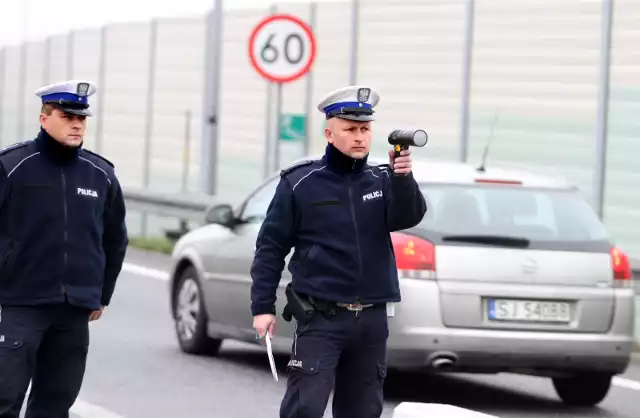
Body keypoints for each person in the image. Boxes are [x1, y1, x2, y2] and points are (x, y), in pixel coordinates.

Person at [250, 85, 427, 418]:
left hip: (372, 320)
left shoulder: (381, 179)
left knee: (363, 411)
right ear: (330, 134)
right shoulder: (301, 183)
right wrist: (262, 307)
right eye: (350, 129)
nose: (359, 137)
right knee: (305, 408)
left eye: (364, 129)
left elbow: (408, 216)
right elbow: (270, 247)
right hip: (321, 318)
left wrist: (403, 178)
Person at [0, 80, 129, 418]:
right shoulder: (12, 166)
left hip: (74, 310)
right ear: (44, 119)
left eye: (81, 119)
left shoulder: (101, 174)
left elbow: (115, 238)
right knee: (4, 398)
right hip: (18, 305)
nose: (76, 124)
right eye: (66, 116)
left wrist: (102, 294)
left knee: (55, 405)